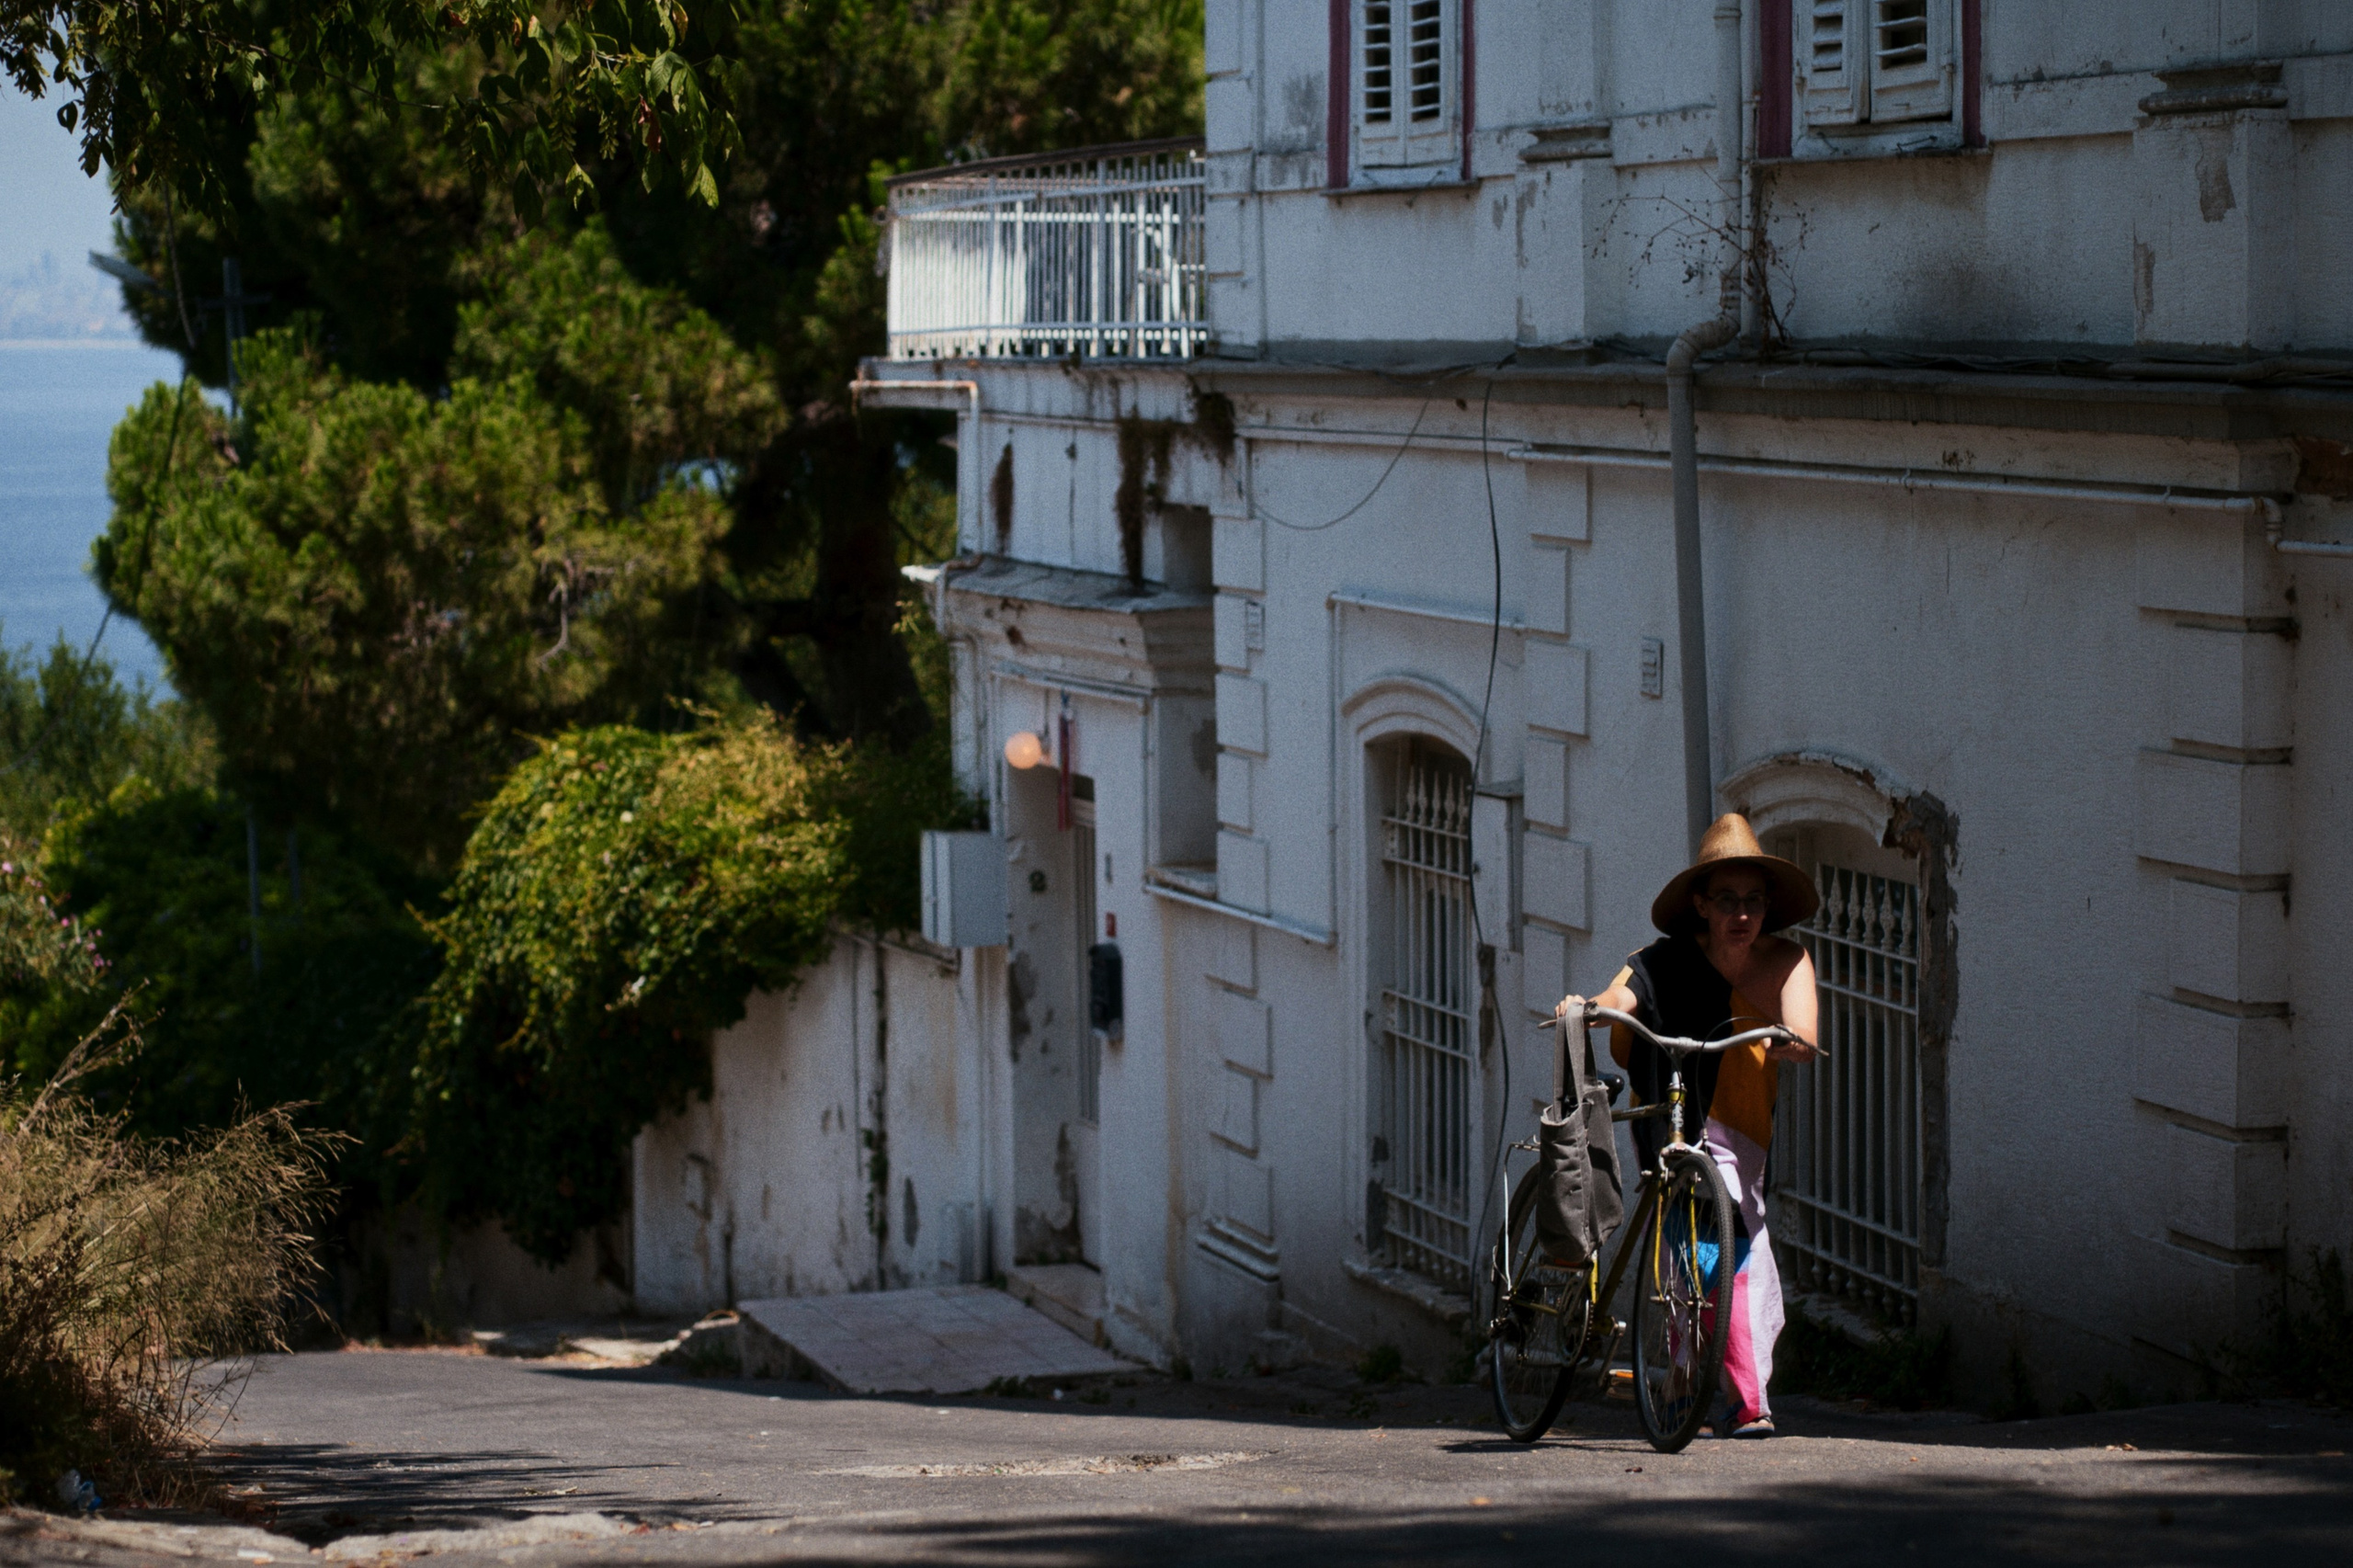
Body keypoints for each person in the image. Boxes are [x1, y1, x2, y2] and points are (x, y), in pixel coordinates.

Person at [1554, 812, 1820, 1438]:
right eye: (1727, 899)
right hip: (1672, 1115)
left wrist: (1792, 1041)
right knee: (1696, 1252)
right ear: (1701, 904)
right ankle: (1734, 1397)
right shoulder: (1665, 961)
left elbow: (1805, 1032)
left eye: (1754, 900)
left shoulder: (1787, 959)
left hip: (1743, 1127)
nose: (1742, 914)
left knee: (1729, 1248)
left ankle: (1692, 1386)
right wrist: (1589, 1009)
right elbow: (1621, 997)